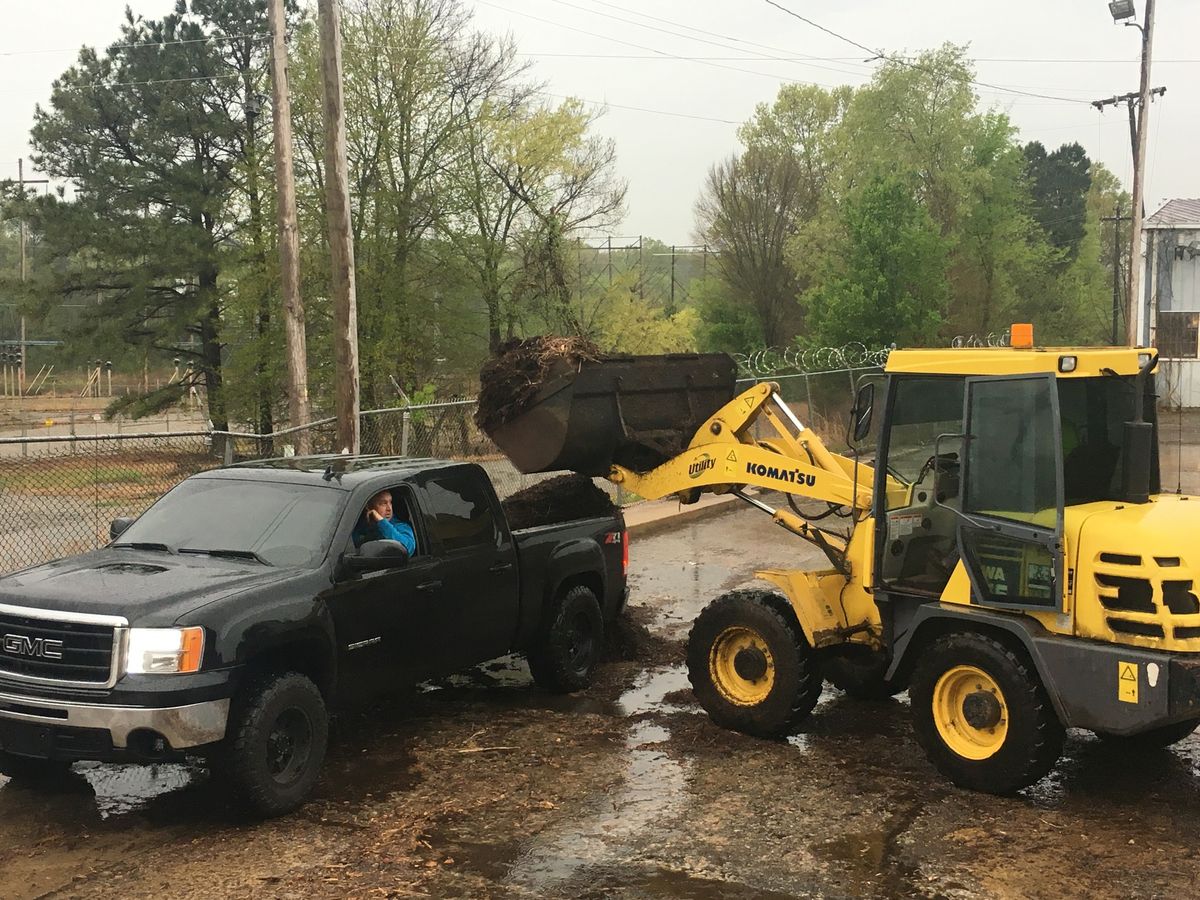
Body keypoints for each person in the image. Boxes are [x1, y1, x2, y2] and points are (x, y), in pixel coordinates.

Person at [353, 490, 417, 555]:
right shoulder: (360, 526)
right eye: (383, 503)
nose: (389, 508)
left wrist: (381, 522)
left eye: (390, 502)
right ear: (369, 507)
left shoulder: (401, 526)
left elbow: (407, 549)